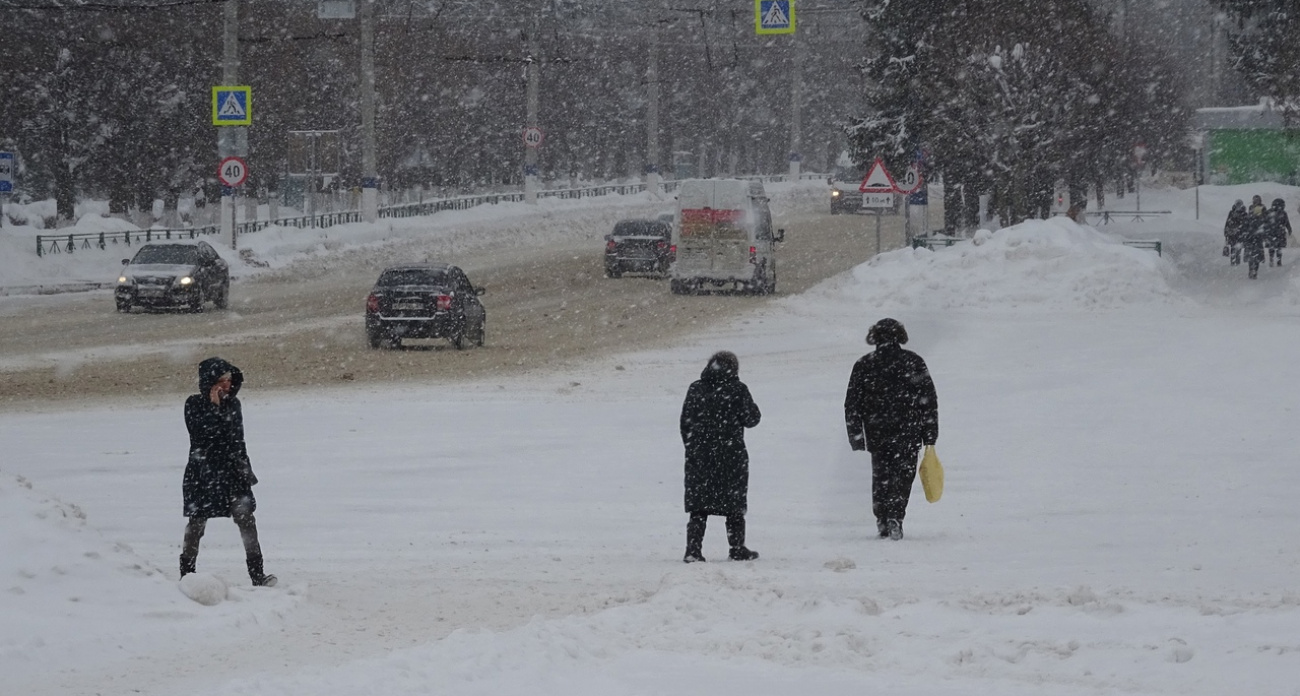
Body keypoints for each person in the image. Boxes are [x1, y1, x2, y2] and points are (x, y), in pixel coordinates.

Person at [180, 357, 276, 587]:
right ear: (209, 381)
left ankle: (257, 575)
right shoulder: (193, 404)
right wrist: (213, 408)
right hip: (203, 474)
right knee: (196, 524)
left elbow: (234, 439)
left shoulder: (234, 405)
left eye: (229, 380)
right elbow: (201, 437)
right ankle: (187, 575)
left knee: (247, 521)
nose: (226, 385)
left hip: (232, 474)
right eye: (221, 380)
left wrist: (245, 471)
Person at [844, 318, 939, 540]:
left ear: (874, 337)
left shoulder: (864, 364)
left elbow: (852, 404)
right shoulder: (913, 362)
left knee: (881, 475)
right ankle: (896, 516)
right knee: (903, 476)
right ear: (900, 336)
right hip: (908, 430)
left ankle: (882, 518)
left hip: (877, 431)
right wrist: (930, 435)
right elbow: (928, 400)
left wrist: (857, 435)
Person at [680, 351, 762, 563]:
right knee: (733, 505)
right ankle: (736, 548)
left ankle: (693, 550)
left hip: (700, 456)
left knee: (699, 507)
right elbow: (752, 419)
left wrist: (693, 447)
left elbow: (685, 422)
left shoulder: (696, 388)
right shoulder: (737, 390)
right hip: (730, 455)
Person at [1266, 198, 1291, 267]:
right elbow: (1265, 222)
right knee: (1276, 247)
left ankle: (1277, 260)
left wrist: (1289, 229)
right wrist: (1289, 229)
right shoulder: (1272, 212)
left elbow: (1286, 222)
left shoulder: (1281, 213)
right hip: (1276, 232)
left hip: (1274, 232)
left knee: (1275, 247)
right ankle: (1275, 260)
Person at [1224, 200, 1247, 266]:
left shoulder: (1244, 213)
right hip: (1233, 234)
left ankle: (1236, 262)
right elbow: (1228, 223)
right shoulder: (1232, 213)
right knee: (1233, 249)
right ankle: (1234, 262)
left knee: (1237, 249)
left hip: (1239, 234)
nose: (1238, 206)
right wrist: (1226, 232)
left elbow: (1246, 224)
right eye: (1238, 204)